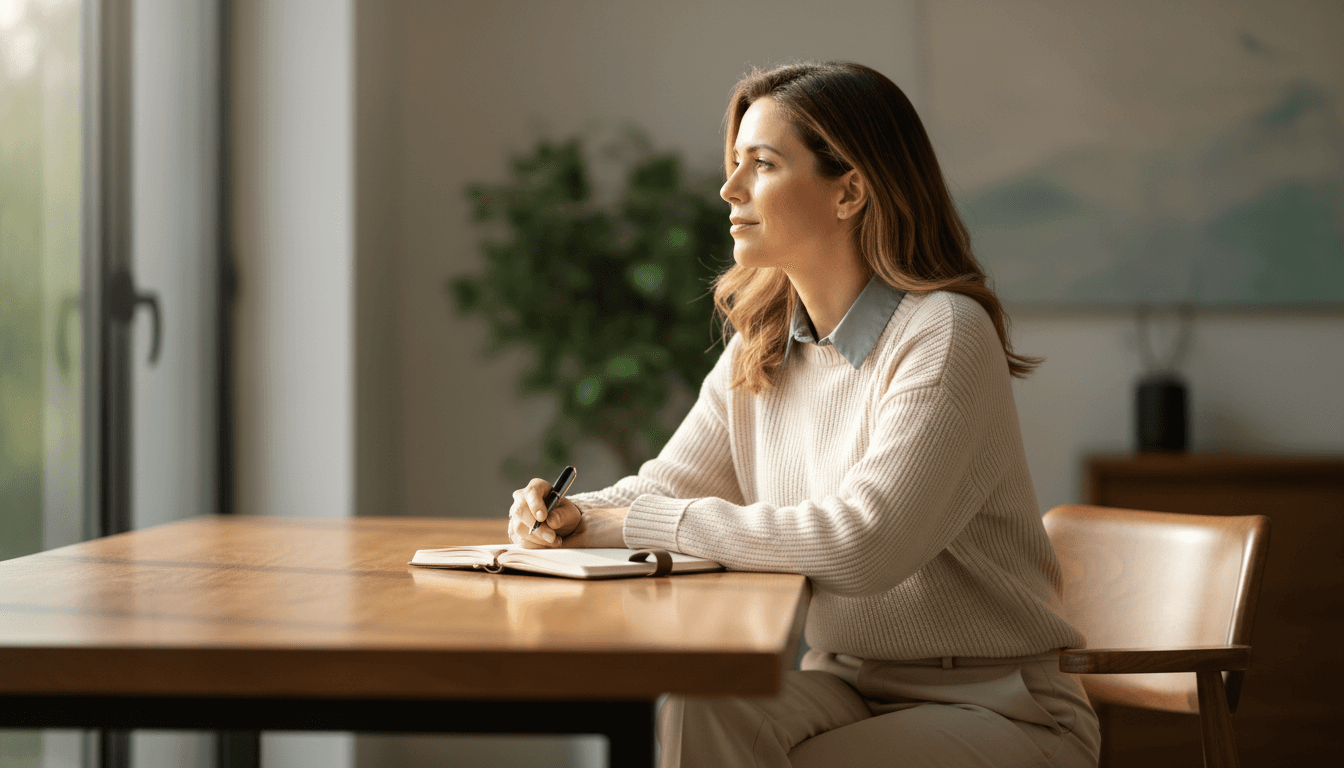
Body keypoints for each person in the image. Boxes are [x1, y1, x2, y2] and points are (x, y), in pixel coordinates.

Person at [506, 61, 1100, 768]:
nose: (729, 189)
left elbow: (864, 543)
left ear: (849, 191)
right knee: (699, 706)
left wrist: (629, 524)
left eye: (761, 164)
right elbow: (665, 487)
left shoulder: (944, 332)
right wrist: (572, 514)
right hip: (847, 681)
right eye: (735, 163)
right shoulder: (761, 344)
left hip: (999, 703)